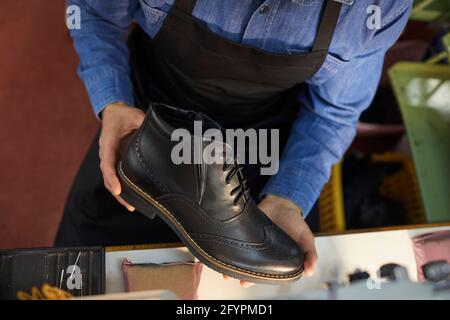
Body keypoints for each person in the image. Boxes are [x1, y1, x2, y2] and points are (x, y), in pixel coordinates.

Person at [56, 0, 412, 285]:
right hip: (147, 128)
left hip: (262, 143)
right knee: (83, 278)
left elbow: (333, 113)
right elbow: (94, 14)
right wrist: (114, 104)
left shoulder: (374, 7)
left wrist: (289, 198)